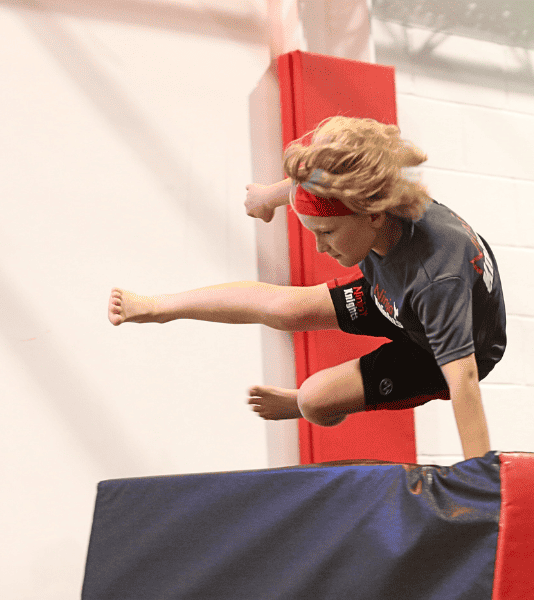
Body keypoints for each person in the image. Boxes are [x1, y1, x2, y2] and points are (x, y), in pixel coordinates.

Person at [108, 117, 506, 459]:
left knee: (316, 400)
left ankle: (301, 403)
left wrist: (480, 478)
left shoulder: (436, 279)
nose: (320, 246)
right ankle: (160, 307)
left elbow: (464, 383)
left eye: (328, 233)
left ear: (373, 215)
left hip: (439, 347)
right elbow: (313, 181)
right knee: (286, 310)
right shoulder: (364, 200)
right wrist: (268, 196)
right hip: (398, 293)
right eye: (313, 232)